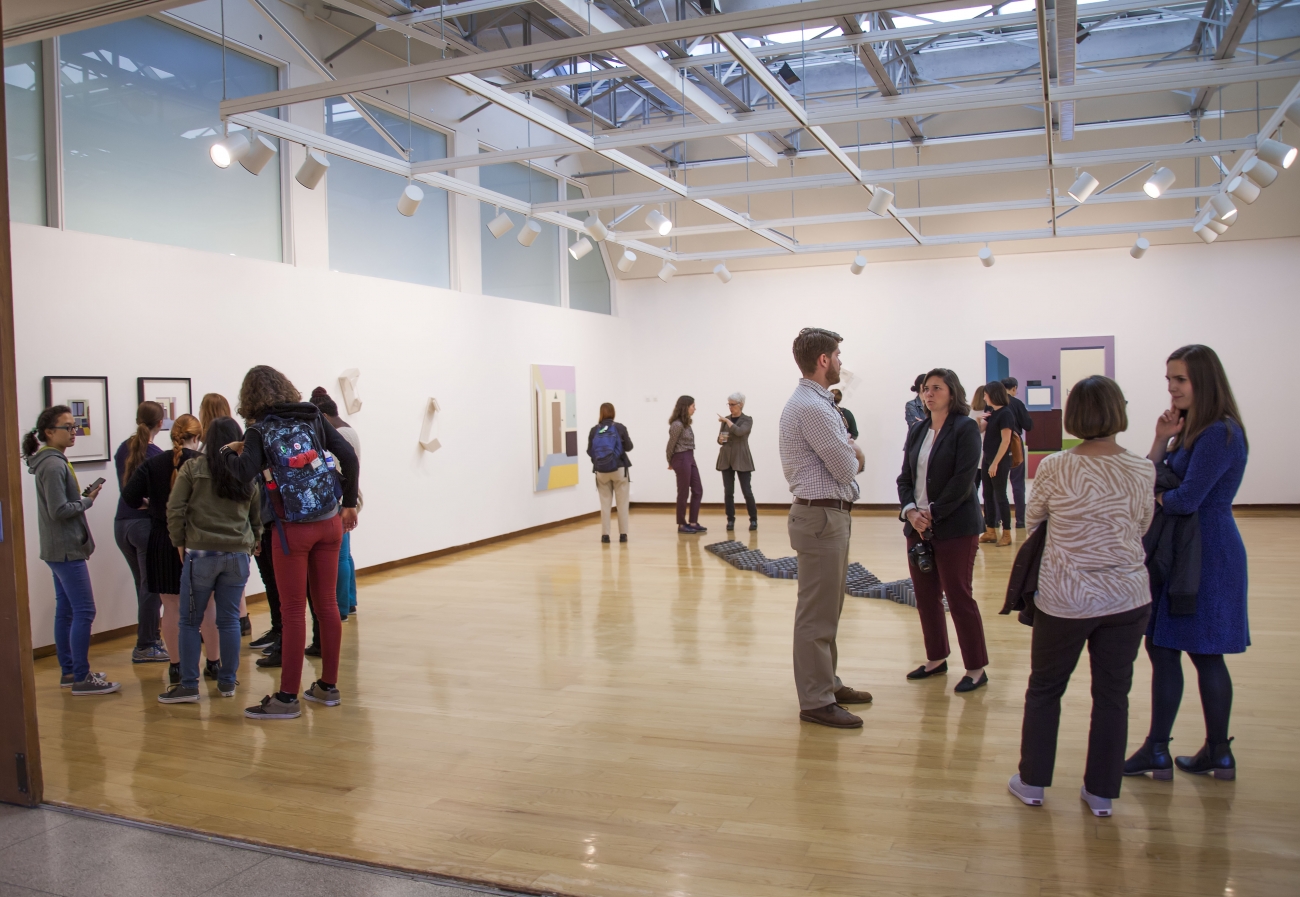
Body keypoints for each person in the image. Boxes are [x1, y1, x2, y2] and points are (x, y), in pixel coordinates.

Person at [1008, 376, 1155, 818]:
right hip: (1127, 598)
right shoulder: (1143, 468)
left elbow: (1034, 520)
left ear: (1074, 414)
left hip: (1065, 598)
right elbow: (1143, 526)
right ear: (1118, 411)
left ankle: (1033, 782)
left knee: (1045, 688)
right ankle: (1101, 792)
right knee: (1113, 695)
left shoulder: (1054, 467)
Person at [1125, 345, 1248, 781]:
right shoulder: (1191, 430)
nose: (1172, 388)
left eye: (1180, 380)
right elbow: (1147, 474)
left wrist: (1159, 497)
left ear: (1204, 382)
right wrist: (1160, 438)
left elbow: (1185, 499)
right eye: (1169, 380)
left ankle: (1199, 750)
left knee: (1201, 652)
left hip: (1206, 552)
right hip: (1182, 550)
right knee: (1166, 647)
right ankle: (1174, 750)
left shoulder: (1219, 433)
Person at [225, 366, 359, 721]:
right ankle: (327, 687)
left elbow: (241, 476)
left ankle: (286, 698)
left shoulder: (259, 429)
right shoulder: (313, 416)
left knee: (293, 609)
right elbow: (348, 456)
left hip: (291, 530)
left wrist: (229, 451)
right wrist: (347, 504)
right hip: (329, 522)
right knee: (327, 604)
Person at [779, 328, 872, 729]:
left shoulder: (815, 403)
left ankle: (826, 684)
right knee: (816, 614)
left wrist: (849, 449)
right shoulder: (814, 408)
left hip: (827, 516)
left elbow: (846, 457)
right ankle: (816, 700)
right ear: (823, 360)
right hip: (820, 518)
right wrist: (852, 450)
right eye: (837, 355)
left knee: (828, 610)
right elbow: (848, 464)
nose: (840, 362)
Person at [158, 416, 262, 704]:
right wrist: (252, 543)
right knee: (229, 621)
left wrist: (180, 542)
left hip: (200, 554)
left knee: (190, 622)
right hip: (236, 555)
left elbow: (174, 509)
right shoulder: (246, 472)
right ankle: (227, 682)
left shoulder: (192, 468)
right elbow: (256, 518)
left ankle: (189, 684)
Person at [897, 368, 989, 693]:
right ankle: (936, 658)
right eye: (925, 388)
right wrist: (911, 512)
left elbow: (964, 481)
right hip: (916, 526)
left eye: (936, 387)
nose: (929, 393)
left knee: (959, 595)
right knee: (925, 596)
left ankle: (976, 668)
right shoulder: (918, 430)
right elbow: (904, 479)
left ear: (952, 392)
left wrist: (931, 515)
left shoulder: (965, 428)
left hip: (955, 527)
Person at [23, 406, 119, 695]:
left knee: (65, 610)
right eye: (67, 427)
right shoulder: (52, 465)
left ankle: (70, 671)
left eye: (74, 426)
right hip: (65, 549)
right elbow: (58, 510)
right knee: (84, 610)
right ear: (50, 432)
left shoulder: (52, 462)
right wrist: (86, 502)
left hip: (58, 547)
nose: (73, 431)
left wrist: (81, 500)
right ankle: (81, 676)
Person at [122, 414, 220, 686]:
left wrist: (153, 506)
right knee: (209, 606)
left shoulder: (153, 463)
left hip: (162, 538)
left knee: (171, 608)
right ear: (197, 437)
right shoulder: (204, 463)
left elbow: (129, 497)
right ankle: (214, 663)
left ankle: (176, 666)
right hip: (199, 538)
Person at [113, 401, 168, 664]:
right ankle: (146, 644)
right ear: (161, 423)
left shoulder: (124, 448)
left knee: (143, 585)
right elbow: (158, 498)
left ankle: (151, 638)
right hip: (143, 526)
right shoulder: (156, 454)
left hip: (122, 524)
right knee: (151, 587)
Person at [199, 392, 252, 636]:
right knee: (236, 579)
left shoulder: (204, 453)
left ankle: (220, 629)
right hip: (239, 527)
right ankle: (241, 620)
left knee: (211, 586)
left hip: (212, 528)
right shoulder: (241, 443)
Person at [311, 387, 360, 621]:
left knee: (340, 556)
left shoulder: (337, 434)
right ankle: (349, 601)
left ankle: (340, 607)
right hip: (351, 497)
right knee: (346, 554)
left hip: (340, 499)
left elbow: (337, 470)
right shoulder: (351, 430)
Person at [586, 403, 633, 544]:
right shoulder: (619, 428)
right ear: (613, 413)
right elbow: (629, 447)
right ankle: (623, 534)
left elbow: (589, 451)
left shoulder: (594, 430)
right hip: (619, 469)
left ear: (601, 413)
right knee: (622, 503)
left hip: (601, 471)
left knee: (605, 504)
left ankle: (605, 535)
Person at [979, 380, 1015, 547]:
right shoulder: (992, 412)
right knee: (987, 495)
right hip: (987, 459)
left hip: (998, 461)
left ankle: (1007, 533)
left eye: (986, 394)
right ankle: (990, 530)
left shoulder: (1005, 414)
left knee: (1001, 496)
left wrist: (995, 463)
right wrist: (979, 419)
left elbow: (1005, 441)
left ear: (993, 394)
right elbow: (980, 430)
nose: (984, 397)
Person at [716, 393, 757, 532]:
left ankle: (753, 520)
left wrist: (727, 422)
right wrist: (721, 439)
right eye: (729, 404)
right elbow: (721, 437)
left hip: (742, 458)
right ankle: (730, 520)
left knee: (747, 491)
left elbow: (740, 432)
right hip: (726, 458)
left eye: (732, 404)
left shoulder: (747, 420)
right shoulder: (726, 420)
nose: (730, 407)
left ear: (741, 404)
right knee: (728, 492)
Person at [666, 396, 705, 534]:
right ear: (686, 407)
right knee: (683, 492)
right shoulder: (677, 425)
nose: (695, 408)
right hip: (681, 457)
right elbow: (671, 444)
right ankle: (682, 524)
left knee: (698, 489)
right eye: (693, 406)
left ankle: (693, 522)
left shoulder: (686, 424)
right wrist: (670, 461)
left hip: (689, 456)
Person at [1002, 377, 1035, 530]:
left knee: (997, 486)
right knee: (1018, 483)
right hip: (1014, 445)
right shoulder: (1017, 403)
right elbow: (1028, 425)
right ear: (1014, 388)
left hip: (996, 446)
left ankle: (996, 519)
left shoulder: (994, 404)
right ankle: (1020, 520)